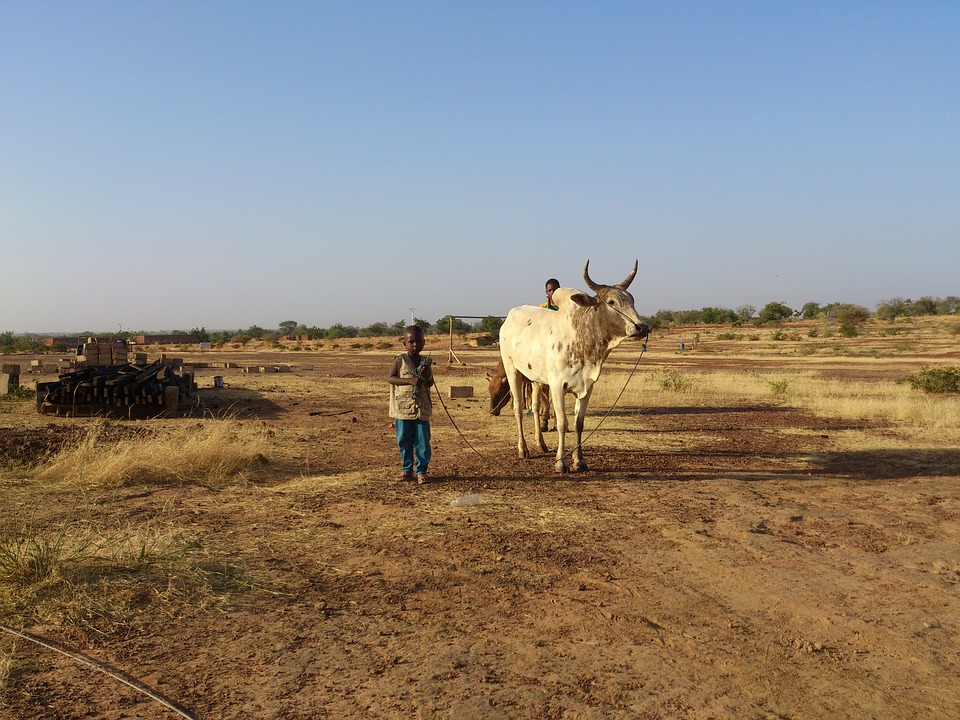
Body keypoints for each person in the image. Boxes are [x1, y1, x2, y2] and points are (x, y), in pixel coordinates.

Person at [388, 325, 434, 483]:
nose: (415, 344)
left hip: (422, 409)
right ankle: (406, 470)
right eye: (411, 341)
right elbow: (391, 378)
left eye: (419, 341)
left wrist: (426, 374)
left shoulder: (425, 362)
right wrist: (409, 381)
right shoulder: (400, 360)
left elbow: (430, 384)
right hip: (403, 409)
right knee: (404, 440)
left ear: (424, 343)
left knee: (422, 441)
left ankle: (421, 471)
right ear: (404, 343)